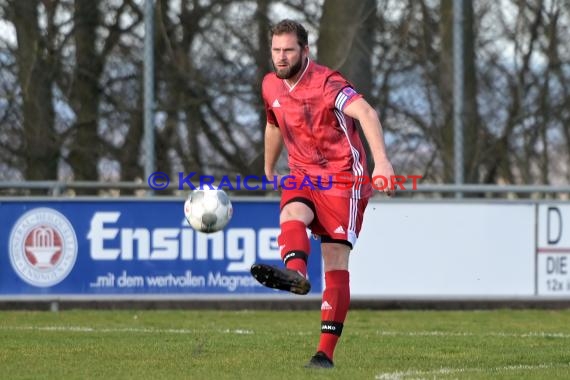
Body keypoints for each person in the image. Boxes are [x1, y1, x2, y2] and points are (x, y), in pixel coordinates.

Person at [250, 19, 395, 369]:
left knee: (334, 260)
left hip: (344, 178)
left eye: (288, 50)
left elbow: (366, 113)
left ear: (305, 51)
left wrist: (383, 164)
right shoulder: (271, 85)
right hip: (302, 174)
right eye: (276, 50)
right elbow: (273, 123)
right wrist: (269, 166)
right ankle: (297, 273)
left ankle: (324, 354)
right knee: (291, 214)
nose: (281, 58)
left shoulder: (328, 83)